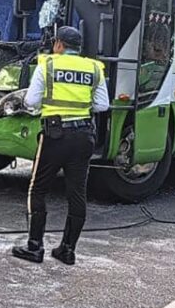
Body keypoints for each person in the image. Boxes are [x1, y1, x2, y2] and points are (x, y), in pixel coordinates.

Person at [11, 26, 109, 265]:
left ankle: (35, 247)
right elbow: (102, 105)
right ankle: (67, 249)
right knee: (77, 193)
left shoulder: (48, 65)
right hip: (84, 136)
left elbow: (32, 101)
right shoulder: (94, 68)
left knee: (38, 189)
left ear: (58, 45)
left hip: (55, 135)